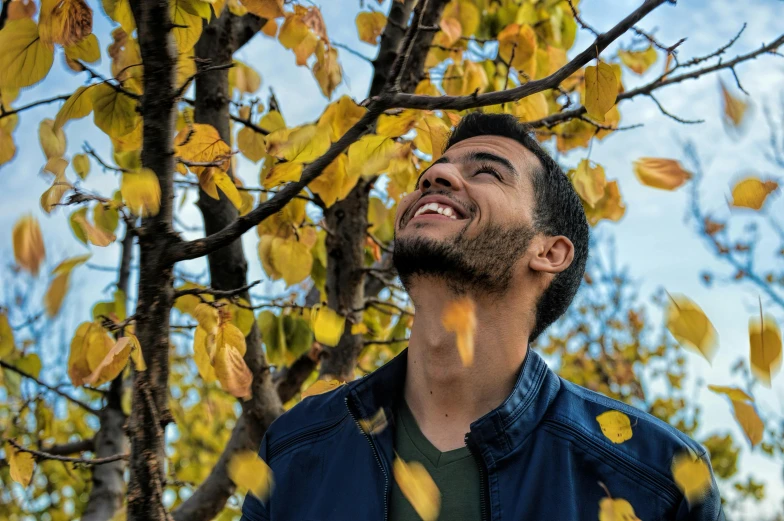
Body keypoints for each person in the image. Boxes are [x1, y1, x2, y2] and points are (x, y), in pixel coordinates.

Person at [240, 112, 723, 520]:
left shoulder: (659, 478)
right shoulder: (293, 451)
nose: (434, 177)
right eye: (430, 173)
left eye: (487, 173)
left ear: (550, 252)